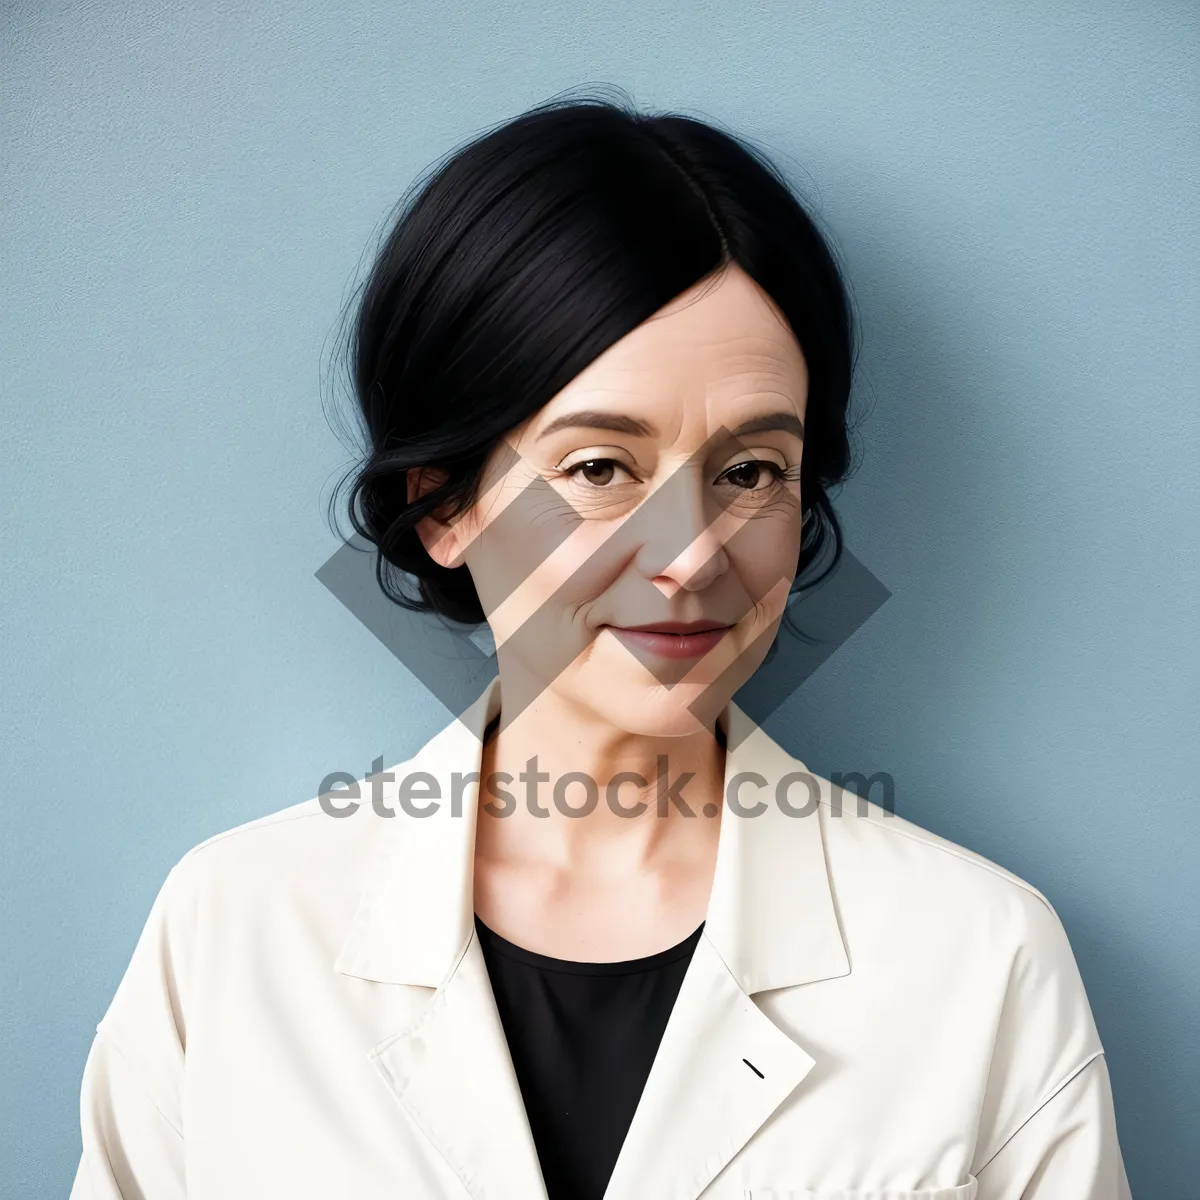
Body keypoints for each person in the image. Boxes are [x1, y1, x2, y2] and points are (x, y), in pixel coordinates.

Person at [71, 95, 1132, 1199]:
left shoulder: (978, 958)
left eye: (751, 472)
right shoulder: (235, 931)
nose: (690, 558)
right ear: (444, 506)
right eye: (598, 470)